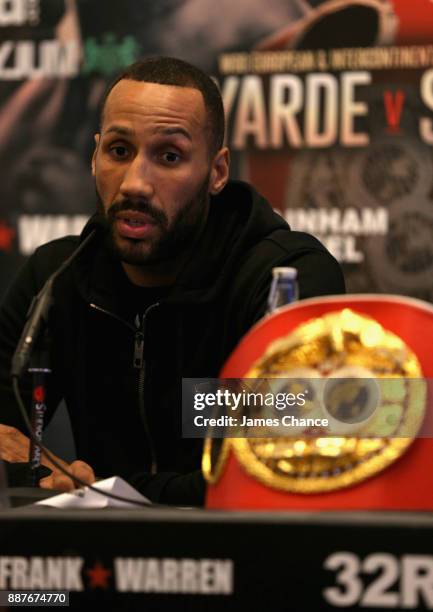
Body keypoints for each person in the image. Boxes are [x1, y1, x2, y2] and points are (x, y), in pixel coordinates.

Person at [0, 57, 345, 506]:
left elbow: (294, 459)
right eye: (119, 152)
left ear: (217, 172)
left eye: (169, 157)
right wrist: (51, 477)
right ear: (94, 155)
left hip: (249, 559)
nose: (135, 183)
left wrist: (101, 491)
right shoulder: (56, 276)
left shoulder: (286, 276)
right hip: (101, 565)